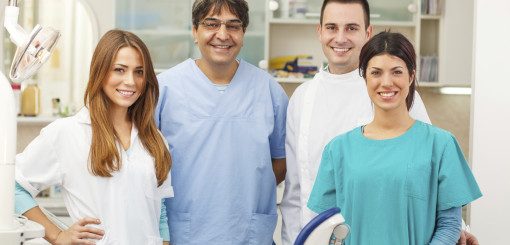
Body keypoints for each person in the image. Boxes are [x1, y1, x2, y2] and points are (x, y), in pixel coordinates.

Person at [307, 31, 482, 244]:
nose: (386, 82)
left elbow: (449, 225)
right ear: (365, 78)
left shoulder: (440, 145)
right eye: (376, 73)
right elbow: (327, 229)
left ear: (411, 76)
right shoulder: (338, 149)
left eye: (397, 72)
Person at [279, 0, 431, 244]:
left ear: (368, 33)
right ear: (319, 31)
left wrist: (458, 227)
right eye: (331, 27)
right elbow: (294, 191)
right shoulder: (303, 97)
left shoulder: (392, 92)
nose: (340, 38)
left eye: (351, 28)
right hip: (317, 238)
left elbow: (430, 172)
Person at [14, 30, 173, 244]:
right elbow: (10, 186)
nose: (130, 81)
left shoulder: (154, 140)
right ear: (101, 72)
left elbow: (160, 212)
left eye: (139, 72)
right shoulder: (67, 133)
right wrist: (58, 235)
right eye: (119, 70)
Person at [155, 0, 288, 244]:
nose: (223, 35)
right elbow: (148, 167)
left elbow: (280, 164)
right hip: (185, 233)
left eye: (233, 26)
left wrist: (243, 187)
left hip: (249, 233)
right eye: (211, 24)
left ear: (243, 33)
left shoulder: (269, 91)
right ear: (195, 31)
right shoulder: (164, 89)